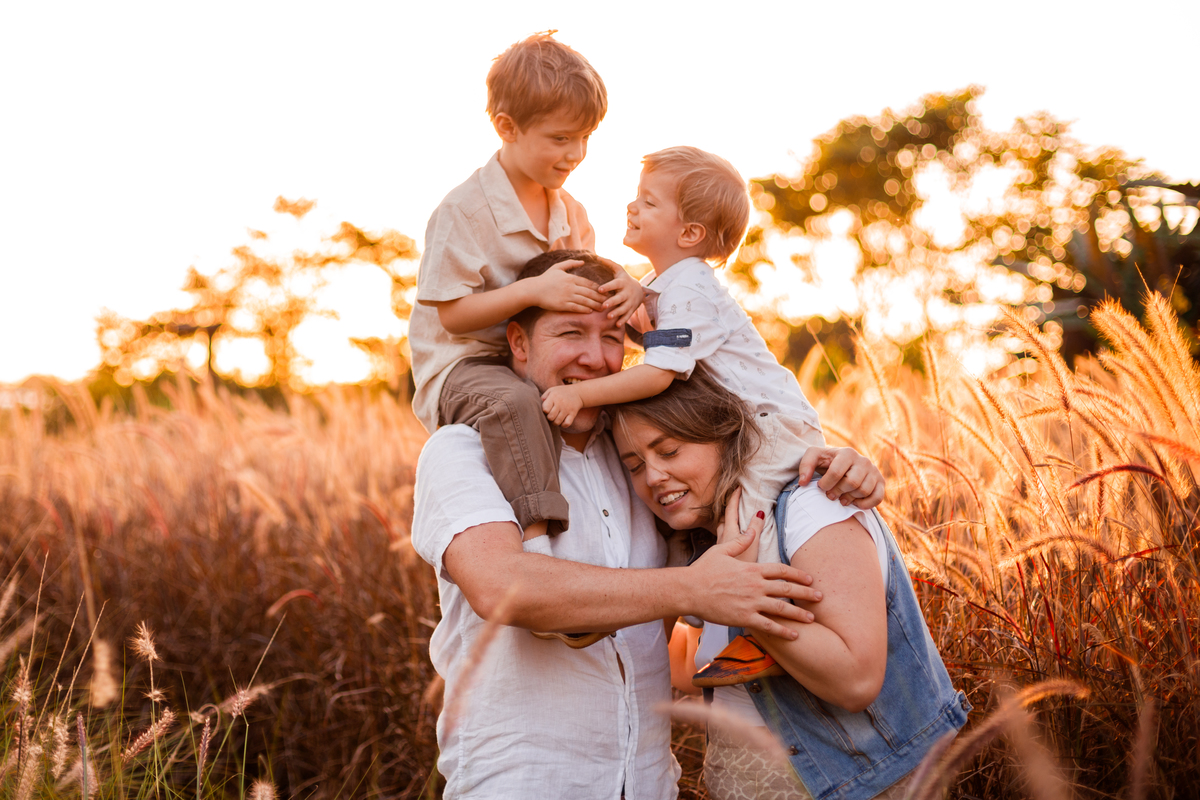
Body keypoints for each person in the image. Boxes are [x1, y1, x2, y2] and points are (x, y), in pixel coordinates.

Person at [411, 253, 886, 799]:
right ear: (518, 344)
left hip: (648, 784)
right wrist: (691, 589)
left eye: (613, 337)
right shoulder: (461, 451)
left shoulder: (641, 468)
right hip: (525, 783)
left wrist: (844, 461)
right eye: (571, 333)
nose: (595, 358)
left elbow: (758, 447)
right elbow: (503, 588)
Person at [612, 369, 971, 800]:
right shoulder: (712, 545)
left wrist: (744, 596)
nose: (653, 477)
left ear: (724, 438)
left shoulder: (810, 507)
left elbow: (856, 681)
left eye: (669, 451)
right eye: (634, 466)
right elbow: (687, 672)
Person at [542, 147, 866, 574]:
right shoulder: (667, 284)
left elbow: (660, 372)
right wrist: (634, 294)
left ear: (690, 233)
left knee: (750, 514)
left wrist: (581, 394)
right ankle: (697, 581)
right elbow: (656, 340)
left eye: (649, 201)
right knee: (718, 512)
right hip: (750, 423)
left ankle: (755, 584)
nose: (632, 206)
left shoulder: (691, 289)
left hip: (772, 425)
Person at [409, 32, 645, 541]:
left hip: (534, 355)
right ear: (507, 127)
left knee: (644, 398)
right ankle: (538, 542)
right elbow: (452, 315)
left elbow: (591, 276)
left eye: (585, 137)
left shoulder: (570, 210)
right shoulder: (464, 211)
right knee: (515, 404)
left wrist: (626, 284)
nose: (576, 153)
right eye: (560, 138)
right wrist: (533, 295)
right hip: (465, 366)